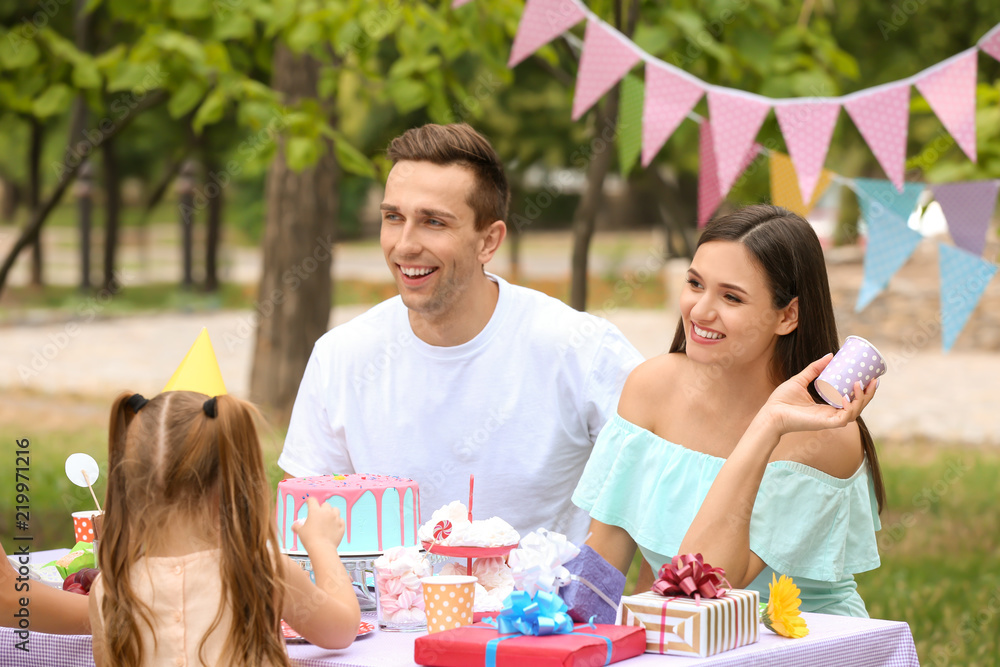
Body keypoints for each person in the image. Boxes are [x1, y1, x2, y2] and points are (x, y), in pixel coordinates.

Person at [279, 123, 643, 544]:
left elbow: (655, 480)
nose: (404, 245)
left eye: (433, 222)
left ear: (488, 241)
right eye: (393, 218)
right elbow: (300, 536)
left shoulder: (579, 348)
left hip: (540, 611)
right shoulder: (341, 356)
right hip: (385, 609)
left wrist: (593, 593)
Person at [573, 205, 884, 617]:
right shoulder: (651, 387)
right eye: (695, 284)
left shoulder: (822, 433)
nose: (700, 311)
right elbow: (602, 562)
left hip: (794, 644)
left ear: (787, 315)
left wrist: (768, 425)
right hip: (688, 641)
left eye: (731, 297)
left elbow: (706, 584)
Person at [90, 391, 360, 667]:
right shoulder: (260, 570)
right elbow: (341, 630)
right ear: (228, 487)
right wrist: (322, 546)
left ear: (131, 487)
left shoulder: (109, 589)